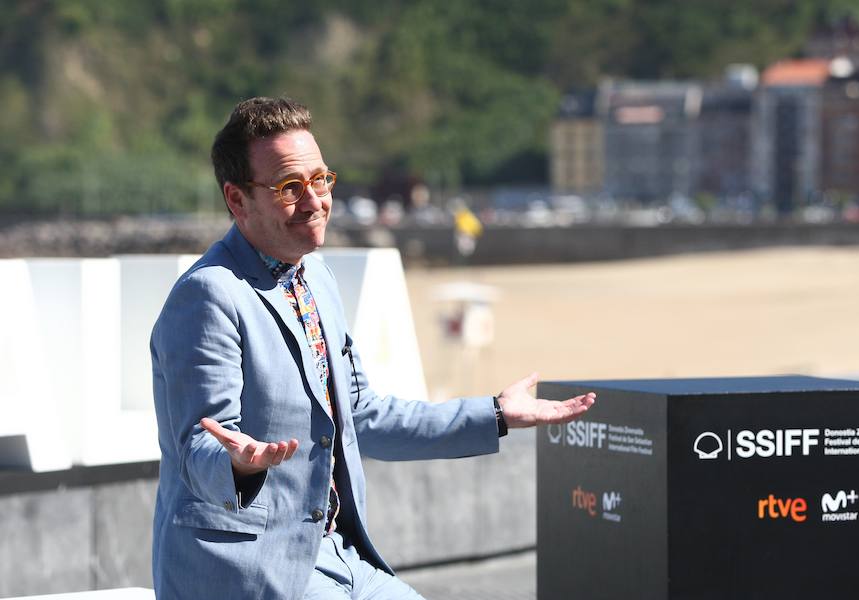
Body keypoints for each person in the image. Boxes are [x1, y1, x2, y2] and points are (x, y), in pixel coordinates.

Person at [150, 96, 595, 599]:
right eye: (290, 187)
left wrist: (495, 413)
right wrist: (240, 463)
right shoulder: (209, 294)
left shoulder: (315, 275)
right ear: (237, 200)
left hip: (336, 555)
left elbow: (360, 416)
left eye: (321, 180)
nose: (315, 200)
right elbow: (198, 446)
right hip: (248, 569)